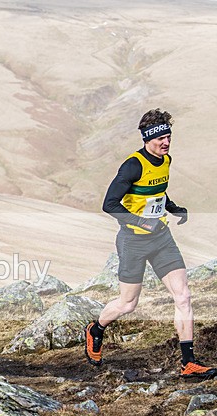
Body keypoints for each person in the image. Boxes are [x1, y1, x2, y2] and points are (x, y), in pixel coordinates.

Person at [85, 108, 216, 380]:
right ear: (147, 139)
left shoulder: (165, 160)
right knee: (127, 304)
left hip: (161, 239)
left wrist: (173, 207)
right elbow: (109, 204)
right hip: (133, 241)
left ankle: (188, 362)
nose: (165, 142)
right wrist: (144, 223)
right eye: (160, 139)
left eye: (168, 137)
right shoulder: (132, 165)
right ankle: (96, 330)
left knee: (183, 296)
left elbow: (157, 190)